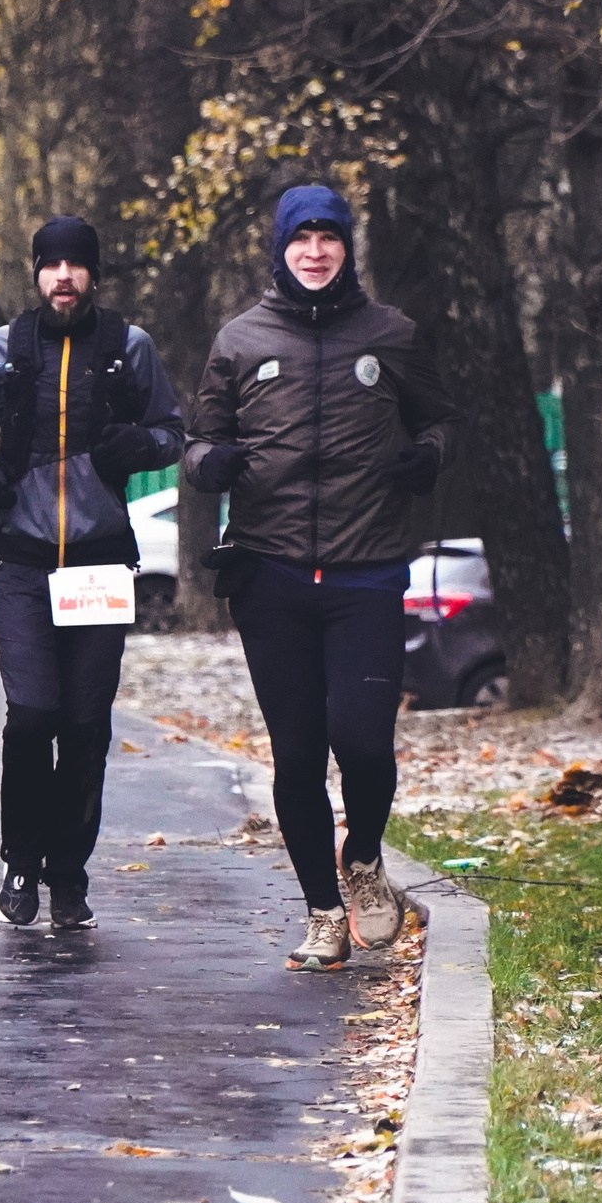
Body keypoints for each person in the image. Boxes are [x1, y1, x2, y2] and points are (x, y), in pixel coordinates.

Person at [184, 183, 457, 971]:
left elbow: (443, 419)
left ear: (346, 246)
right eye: (300, 237)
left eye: (328, 236)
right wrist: (215, 462)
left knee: (363, 742)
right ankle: (322, 912)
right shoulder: (240, 339)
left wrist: (426, 456)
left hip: (365, 569)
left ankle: (364, 857)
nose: (315, 250)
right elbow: (198, 444)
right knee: (298, 752)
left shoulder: (392, 334)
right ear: (280, 248)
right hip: (270, 574)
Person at [0, 216, 185, 930]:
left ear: (93, 274)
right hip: (21, 561)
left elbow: (175, 431)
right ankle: (21, 861)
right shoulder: (5, 346)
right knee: (31, 718)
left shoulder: (128, 348)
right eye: (50, 264)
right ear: (36, 273)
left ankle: (70, 876)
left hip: (99, 566)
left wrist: (136, 446)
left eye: (75, 265)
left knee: (85, 726)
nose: (63, 276)